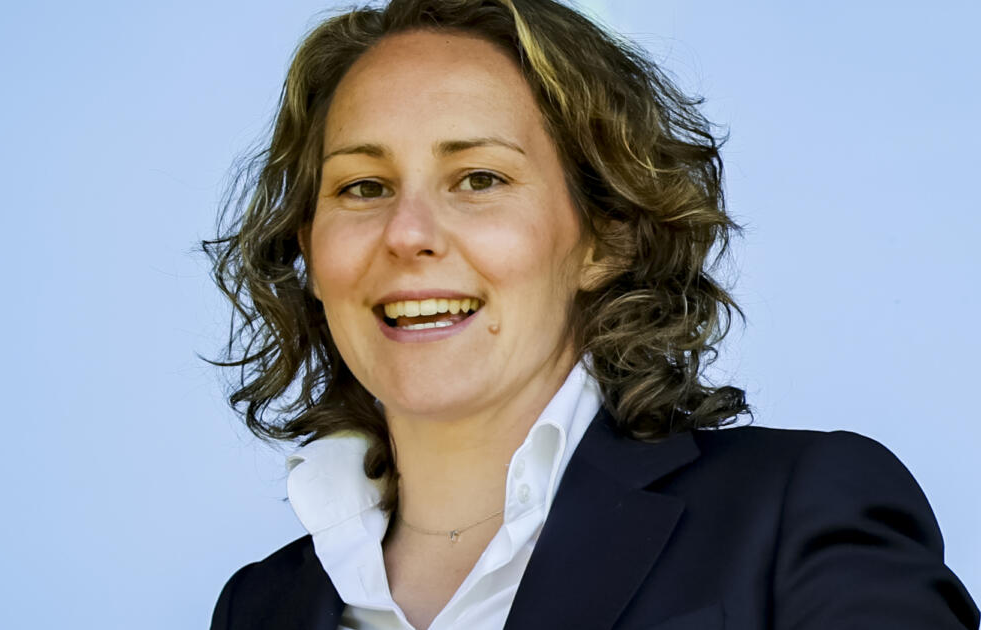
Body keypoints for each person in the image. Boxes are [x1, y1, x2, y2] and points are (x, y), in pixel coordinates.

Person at [203, 0, 978, 628]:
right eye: (363, 188)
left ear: (605, 238)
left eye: (478, 179)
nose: (407, 234)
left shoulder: (791, 514)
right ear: (309, 250)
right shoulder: (260, 608)